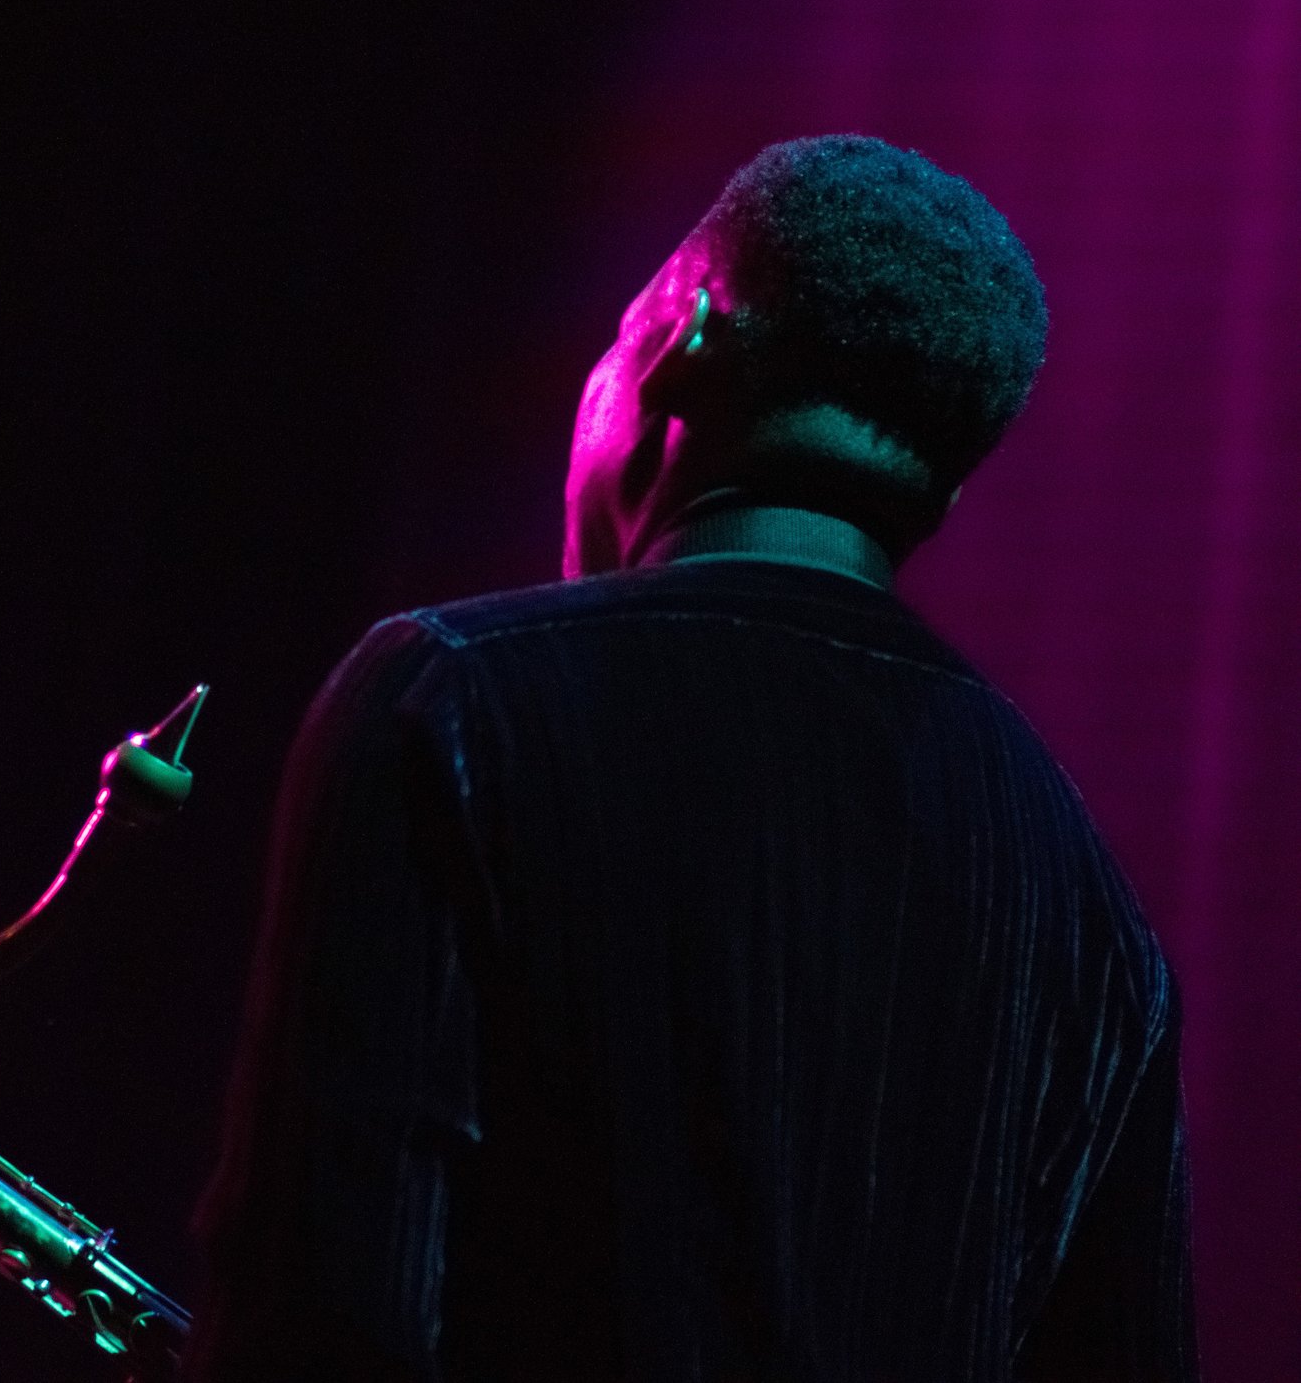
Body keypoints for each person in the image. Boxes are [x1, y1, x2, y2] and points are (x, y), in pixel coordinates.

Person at [187, 136, 1196, 1381]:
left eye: (613, 338)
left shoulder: (450, 699)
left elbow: (326, 1307)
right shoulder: (1085, 892)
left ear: (684, 332)